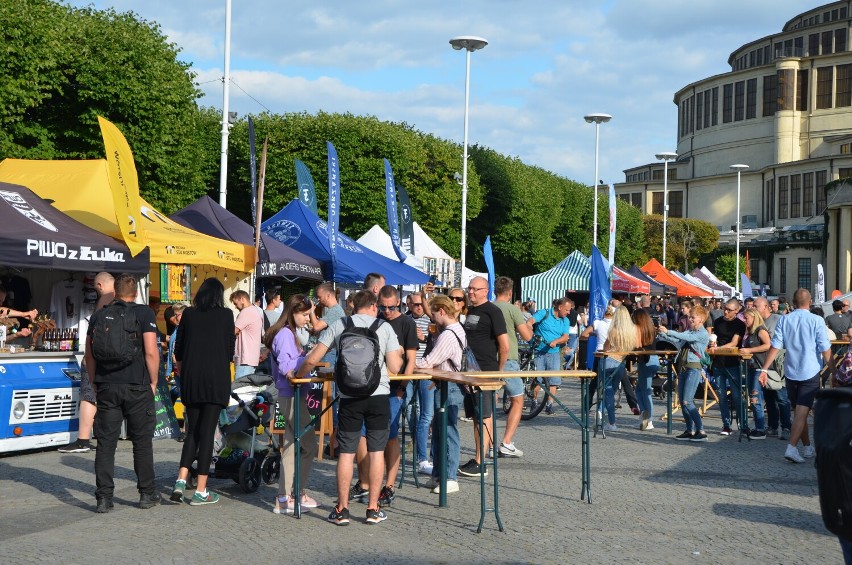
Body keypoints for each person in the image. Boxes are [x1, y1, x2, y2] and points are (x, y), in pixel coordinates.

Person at [296, 290, 402, 526]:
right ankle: (373, 509)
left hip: (349, 397)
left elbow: (313, 359)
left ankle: (342, 509)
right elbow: (395, 367)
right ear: (374, 306)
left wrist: (298, 375)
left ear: (353, 307)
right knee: (376, 453)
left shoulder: (340, 324)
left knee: (346, 453)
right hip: (378, 396)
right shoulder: (384, 327)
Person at [87, 273, 160, 513]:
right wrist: (154, 380)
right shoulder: (145, 313)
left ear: (114, 292)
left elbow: (89, 354)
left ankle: (104, 498)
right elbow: (150, 351)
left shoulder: (98, 316)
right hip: (137, 385)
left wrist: (94, 381)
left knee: (106, 444)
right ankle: (146, 494)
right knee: (141, 442)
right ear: (136, 292)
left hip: (107, 385)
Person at [170, 278, 236, 505]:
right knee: (207, 434)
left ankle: (180, 480)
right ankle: (201, 491)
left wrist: (184, 369)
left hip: (192, 380)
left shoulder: (188, 314)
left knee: (192, 433)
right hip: (216, 380)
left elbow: (177, 350)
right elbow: (229, 352)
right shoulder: (227, 316)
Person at [758, 289, 833, 464]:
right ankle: (792, 447)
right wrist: (834, 371)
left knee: (799, 412)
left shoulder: (785, 319)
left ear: (793, 301)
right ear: (811, 301)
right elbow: (825, 349)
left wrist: (764, 369)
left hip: (791, 372)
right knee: (801, 413)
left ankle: (807, 447)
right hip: (810, 371)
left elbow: (775, 346)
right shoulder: (817, 320)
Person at [266, 294, 319, 515]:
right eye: (305, 314)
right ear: (293, 312)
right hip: (291, 395)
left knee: (289, 447)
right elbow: (287, 366)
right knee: (309, 446)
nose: (308, 319)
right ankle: (297, 494)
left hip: (288, 395)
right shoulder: (286, 334)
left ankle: (283, 498)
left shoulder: (286, 333)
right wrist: (308, 359)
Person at [458, 276, 508, 477]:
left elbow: (504, 346)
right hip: (470, 371)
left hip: (486, 371)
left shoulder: (493, 312)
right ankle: (478, 457)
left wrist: (498, 374)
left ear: (485, 291)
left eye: (475, 289)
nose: (470, 292)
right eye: (469, 288)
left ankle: (481, 461)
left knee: (485, 415)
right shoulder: (471, 310)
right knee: (476, 416)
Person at [58, 272, 113, 454]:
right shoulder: (126, 301)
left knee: (88, 394)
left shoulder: (104, 299)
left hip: (98, 355)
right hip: (118, 358)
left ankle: (82, 440)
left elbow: (95, 333)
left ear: (99, 285)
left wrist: (87, 358)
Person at [416, 294, 466, 494]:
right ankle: (439, 474)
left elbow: (429, 360)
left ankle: (450, 476)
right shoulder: (453, 330)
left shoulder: (448, 333)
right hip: (444, 383)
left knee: (448, 430)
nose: (432, 318)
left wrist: (406, 362)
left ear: (442, 311)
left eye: (434, 313)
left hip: (450, 385)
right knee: (438, 430)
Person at [375, 285, 418, 506]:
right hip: (373, 387)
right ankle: (368, 482)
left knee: (390, 436)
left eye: (391, 307)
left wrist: (403, 386)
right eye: (382, 306)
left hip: (394, 388)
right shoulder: (376, 320)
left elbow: (411, 358)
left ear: (399, 303)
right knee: (371, 437)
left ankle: (389, 485)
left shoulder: (407, 323)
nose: (387, 311)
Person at [658, 305, 711, 441]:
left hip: (693, 368)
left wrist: (668, 331)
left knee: (688, 401)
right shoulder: (691, 331)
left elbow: (682, 336)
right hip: (683, 368)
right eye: (690, 317)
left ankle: (701, 430)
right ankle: (690, 430)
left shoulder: (702, 333)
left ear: (701, 319)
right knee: (683, 401)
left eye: (693, 317)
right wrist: (663, 334)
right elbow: (678, 340)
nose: (690, 319)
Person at [493, 276, 533, 457]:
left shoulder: (488, 308)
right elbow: (527, 336)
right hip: (508, 359)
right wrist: (530, 326)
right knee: (518, 399)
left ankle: (489, 443)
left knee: (490, 401)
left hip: (488, 360)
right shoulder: (512, 310)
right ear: (510, 293)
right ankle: (506, 442)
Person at [754, 297, 792, 439]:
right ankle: (773, 426)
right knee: (769, 397)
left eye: (756, 306)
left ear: (766, 306)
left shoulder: (777, 319)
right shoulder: (757, 323)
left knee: (781, 396)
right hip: (764, 364)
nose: (754, 308)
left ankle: (787, 427)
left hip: (778, 364)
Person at [407, 290, 434, 475]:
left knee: (424, 412)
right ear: (408, 305)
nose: (418, 307)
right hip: (408, 370)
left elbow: (433, 343)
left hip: (425, 370)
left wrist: (423, 338)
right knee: (409, 407)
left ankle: (422, 456)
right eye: (415, 304)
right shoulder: (405, 319)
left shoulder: (429, 321)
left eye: (420, 304)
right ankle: (418, 440)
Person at [711, 298, 747, 436]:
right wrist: (713, 346)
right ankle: (726, 424)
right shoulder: (718, 321)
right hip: (718, 363)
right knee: (721, 396)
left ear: (737, 311)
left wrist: (719, 348)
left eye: (729, 310)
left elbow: (734, 343)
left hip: (732, 363)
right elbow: (715, 337)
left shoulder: (739, 324)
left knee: (737, 396)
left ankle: (743, 424)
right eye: (725, 309)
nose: (725, 312)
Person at [598, 307, 637, 432]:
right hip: (620, 364)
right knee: (610, 392)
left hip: (608, 361)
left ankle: (609, 420)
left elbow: (606, 347)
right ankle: (602, 414)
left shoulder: (613, 330)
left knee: (607, 392)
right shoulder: (632, 331)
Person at [531, 297, 572, 415]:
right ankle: (534, 401)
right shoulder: (544, 313)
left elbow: (565, 337)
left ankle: (549, 404)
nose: (568, 312)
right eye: (567, 310)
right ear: (560, 307)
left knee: (554, 380)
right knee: (538, 379)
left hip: (554, 353)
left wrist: (556, 342)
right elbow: (531, 321)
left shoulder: (565, 320)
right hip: (539, 351)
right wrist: (529, 326)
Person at [738, 308, 771, 440]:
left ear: (754, 317)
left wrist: (750, 350)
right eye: (744, 318)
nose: (745, 320)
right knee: (753, 397)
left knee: (755, 397)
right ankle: (757, 427)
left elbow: (768, 345)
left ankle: (760, 429)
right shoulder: (750, 332)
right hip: (751, 367)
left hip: (759, 367)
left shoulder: (760, 330)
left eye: (747, 318)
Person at [631, 309, 659, 431]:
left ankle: (649, 420)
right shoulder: (650, 328)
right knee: (639, 390)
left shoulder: (638, 328)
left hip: (646, 361)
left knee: (646, 392)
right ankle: (644, 416)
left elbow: (636, 345)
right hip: (653, 359)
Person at [230, 290, 263, 379]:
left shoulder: (246, 312)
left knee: (239, 390)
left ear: (242, 299)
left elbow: (232, 331)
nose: (236, 306)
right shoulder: (255, 310)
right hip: (251, 358)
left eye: (236, 303)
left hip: (245, 358)